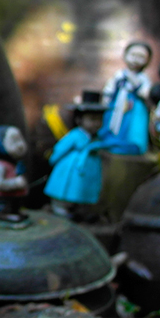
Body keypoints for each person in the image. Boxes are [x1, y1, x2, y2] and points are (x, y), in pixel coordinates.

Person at [45, 91, 108, 222]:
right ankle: (61, 207)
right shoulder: (75, 135)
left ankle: (81, 209)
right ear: (79, 120)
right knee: (65, 187)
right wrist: (54, 159)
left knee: (84, 189)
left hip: (89, 169)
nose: (96, 123)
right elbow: (61, 148)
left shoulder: (97, 138)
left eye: (99, 120)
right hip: (71, 167)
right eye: (92, 119)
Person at [99, 42, 153, 155]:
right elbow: (109, 90)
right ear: (125, 55)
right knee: (114, 123)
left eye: (141, 57)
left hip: (136, 108)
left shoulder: (143, 78)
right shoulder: (119, 75)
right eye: (133, 55)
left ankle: (132, 146)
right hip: (117, 104)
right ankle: (111, 142)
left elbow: (146, 93)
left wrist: (137, 85)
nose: (136, 60)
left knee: (134, 128)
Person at [0, 125, 29, 223]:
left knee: (14, 203)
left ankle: (15, 212)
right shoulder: (0, 166)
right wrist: (16, 183)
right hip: (2, 196)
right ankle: (2, 214)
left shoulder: (16, 164)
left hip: (14, 195)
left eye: (20, 139)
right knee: (5, 205)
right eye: (14, 141)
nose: (20, 145)